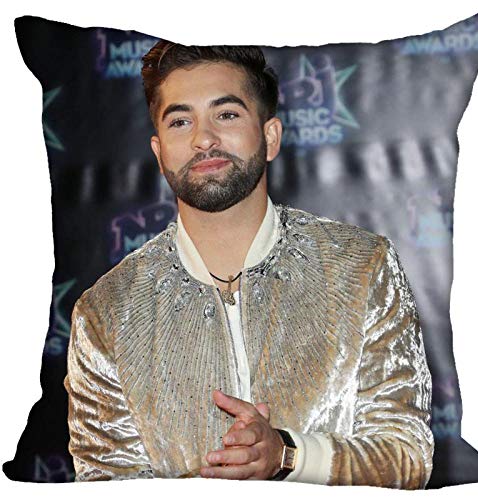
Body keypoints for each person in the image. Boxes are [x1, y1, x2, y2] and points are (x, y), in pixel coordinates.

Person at [63, 41, 434, 488]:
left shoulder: (361, 267)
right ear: (159, 153)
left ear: (270, 136)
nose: (203, 138)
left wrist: (287, 454)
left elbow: (407, 455)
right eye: (180, 121)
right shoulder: (107, 313)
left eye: (226, 114)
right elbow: (107, 485)